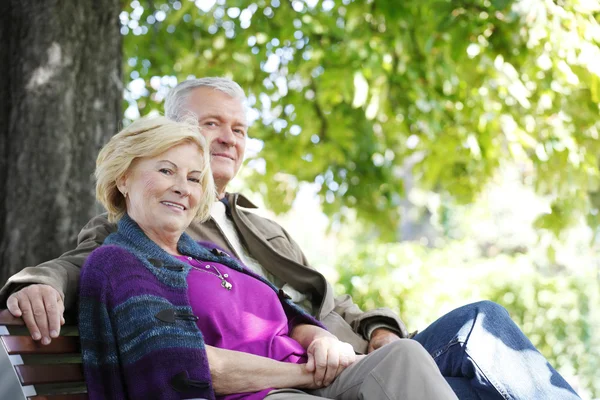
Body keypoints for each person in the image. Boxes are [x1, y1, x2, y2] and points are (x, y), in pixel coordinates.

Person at [0, 78, 581, 399]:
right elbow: (90, 261)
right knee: (479, 338)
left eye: (239, 129)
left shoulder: (261, 226)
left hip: (348, 359)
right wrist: (36, 282)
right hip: (294, 379)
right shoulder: (149, 228)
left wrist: (374, 329)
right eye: (209, 126)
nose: (225, 138)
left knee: (480, 337)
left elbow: (320, 300)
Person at [79, 115, 457, 399]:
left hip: (311, 379)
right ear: (123, 179)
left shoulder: (210, 255)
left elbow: (288, 314)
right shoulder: (120, 264)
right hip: (262, 394)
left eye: (195, 178)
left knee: (404, 354)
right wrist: (305, 375)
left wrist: (319, 340)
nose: (182, 188)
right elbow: (192, 366)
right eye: (166, 171)